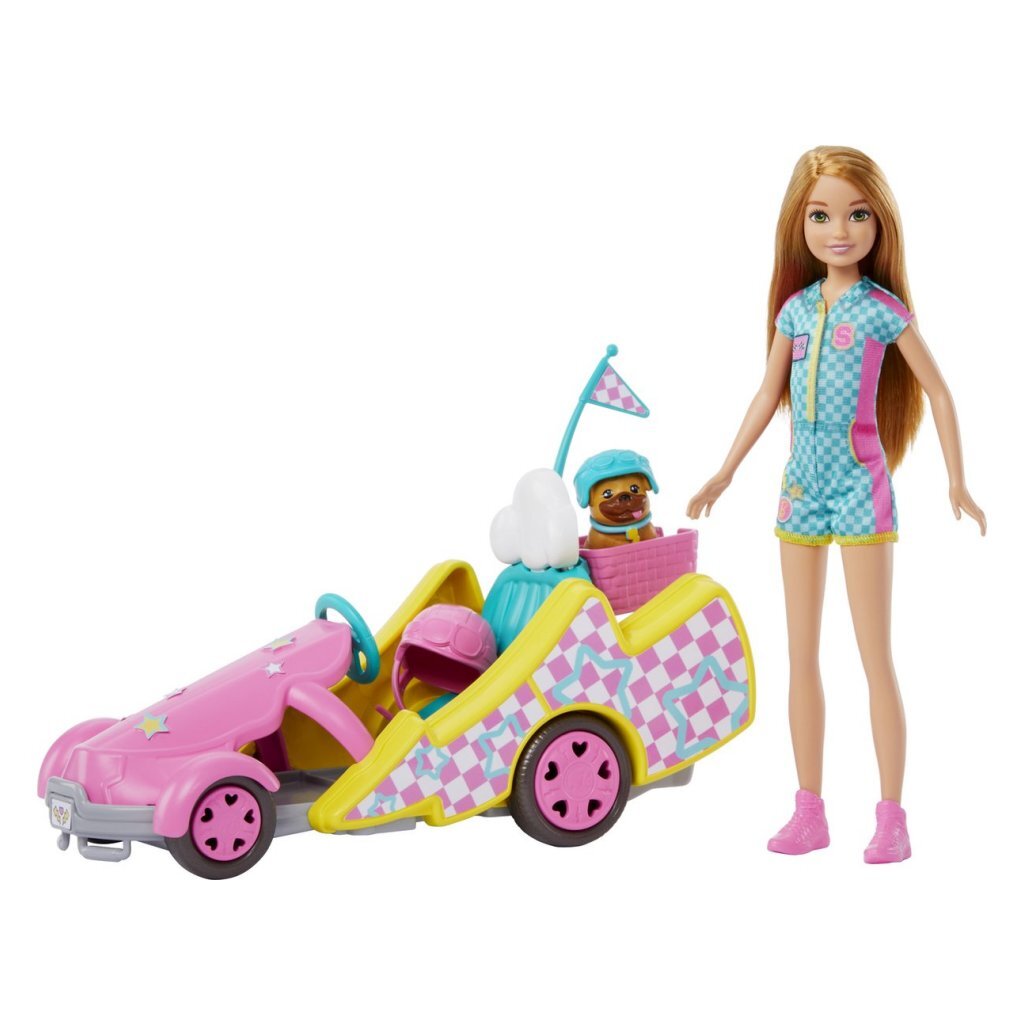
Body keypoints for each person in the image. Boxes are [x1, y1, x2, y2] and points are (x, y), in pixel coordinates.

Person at [686, 146, 986, 863]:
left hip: (859, 486)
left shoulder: (882, 311)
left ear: (880, 224)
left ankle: (892, 817)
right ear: (800, 222)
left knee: (874, 656)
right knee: (801, 654)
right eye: (821, 216)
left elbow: (939, 391)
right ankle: (809, 810)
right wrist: (725, 471)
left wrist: (957, 481)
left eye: (857, 215)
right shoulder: (795, 311)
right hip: (799, 487)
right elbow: (767, 394)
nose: (840, 231)